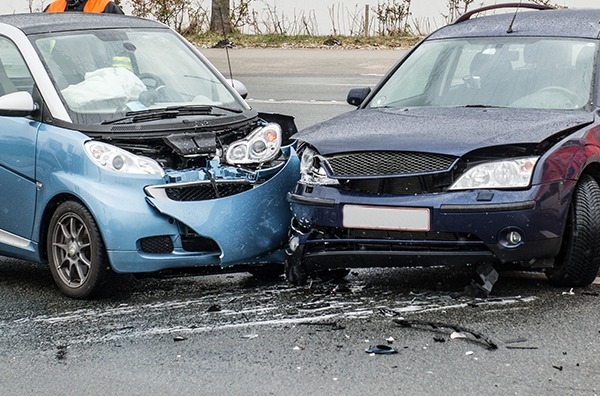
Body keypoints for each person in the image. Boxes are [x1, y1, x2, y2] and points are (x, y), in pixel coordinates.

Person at [44, 0, 124, 14]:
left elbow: (121, 44)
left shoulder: (107, 7)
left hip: (99, 59)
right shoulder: (53, 8)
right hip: (58, 58)